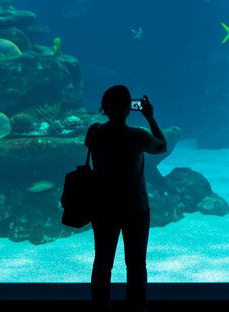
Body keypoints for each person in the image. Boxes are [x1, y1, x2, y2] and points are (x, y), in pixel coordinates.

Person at [86, 85, 167, 310]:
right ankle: (138, 311)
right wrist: (150, 118)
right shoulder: (137, 135)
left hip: (103, 207)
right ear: (127, 109)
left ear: (104, 108)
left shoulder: (93, 131)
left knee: (102, 261)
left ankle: (102, 309)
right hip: (135, 208)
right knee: (136, 264)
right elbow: (161, 146)